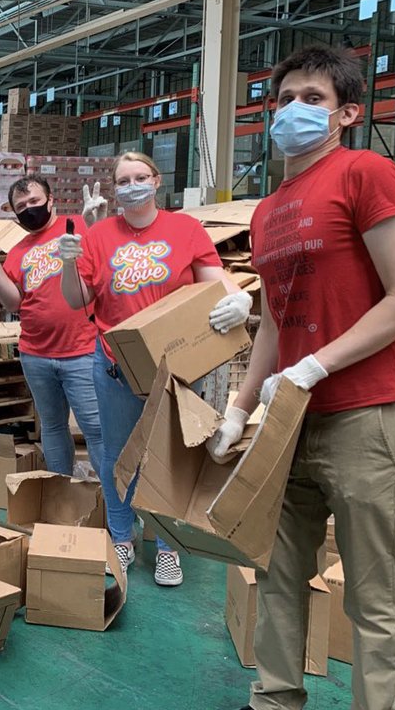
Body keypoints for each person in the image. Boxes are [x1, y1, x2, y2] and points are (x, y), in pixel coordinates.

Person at [201, 44, 395, 710]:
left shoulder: (366, 174)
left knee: (371, 588)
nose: (294, 110)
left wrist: (317, 364)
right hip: (288, 422)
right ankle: (275, 702)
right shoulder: (269, 211)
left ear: (348, 113)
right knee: (276, 569)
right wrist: (239, 408)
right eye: (285, 98)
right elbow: (275, 320)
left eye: (313, 98)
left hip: (365, 413)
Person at [57, 151, 252, 587]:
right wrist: (68, 262)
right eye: (123, 180)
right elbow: (75, 299)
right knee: (117, 454)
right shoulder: (99, 236)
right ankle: (121, 538)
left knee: (172, 456)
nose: (132, 186)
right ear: (114, 189)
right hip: (116, 365)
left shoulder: (185, 229)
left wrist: (238, 297)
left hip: (176, 366)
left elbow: (213, 277)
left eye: (140, 177)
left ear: (157, 180)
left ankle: (168, 547)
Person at [0, 173, 104, 482]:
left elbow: (106, 262)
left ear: (50, 200)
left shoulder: (78, 227)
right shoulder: (18, 251)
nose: (29, 208)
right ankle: (59, 492)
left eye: (35, 201)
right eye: (21, 206)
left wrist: (98, 226)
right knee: (52, 427)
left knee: (95, 428)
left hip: (82, 350)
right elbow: (13, 303)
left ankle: (110, 498)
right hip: (36, 354)